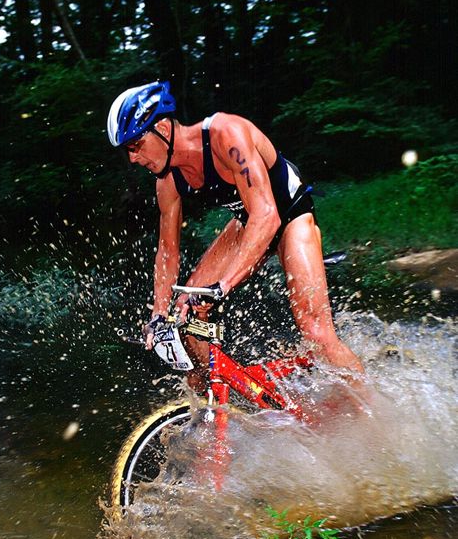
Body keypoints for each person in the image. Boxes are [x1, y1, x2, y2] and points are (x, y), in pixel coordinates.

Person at [107, 81, 363, 381]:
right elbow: (168, 251)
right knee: (185, 310)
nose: (133, 158)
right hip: (246, 222)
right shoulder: (168, 181)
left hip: (288, 213)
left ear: (162, 128)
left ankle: (375, 415)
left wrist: (224, 285)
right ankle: (213, 403)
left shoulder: (225, 134)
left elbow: (267, 215)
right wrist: (158, 315)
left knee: (316, 330)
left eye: (134, 145)